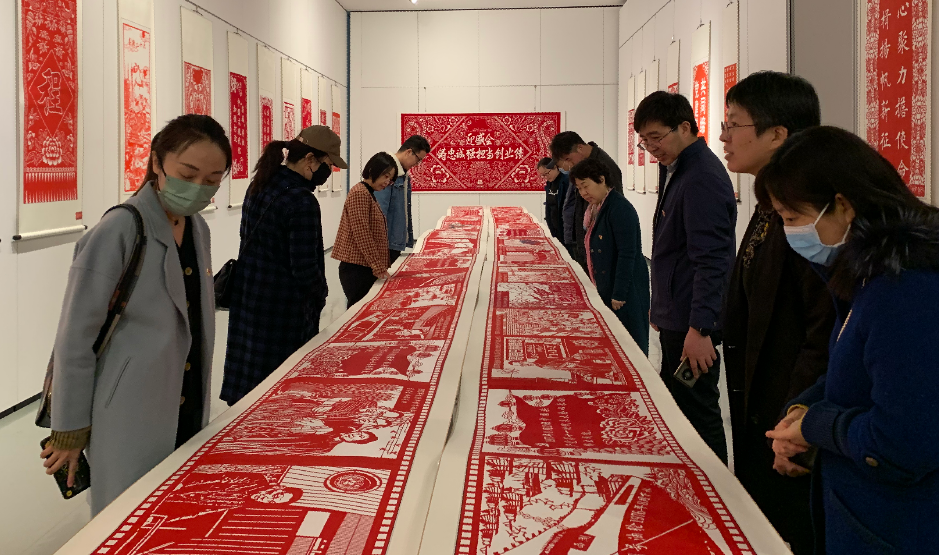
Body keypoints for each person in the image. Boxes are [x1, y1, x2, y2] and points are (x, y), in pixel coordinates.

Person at [40, 114, 232, 515]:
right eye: (188, 174)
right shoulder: (120, 229)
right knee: (127, 513)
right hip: (128, 408)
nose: (198, 188)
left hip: (186, 398)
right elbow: (74, 336)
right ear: (157, 162)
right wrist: (69, 428)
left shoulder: (198, 229)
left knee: (175, 512)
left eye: (212, 180)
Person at [764, 126, 939, 555]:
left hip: (897, 525)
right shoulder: (865, 274)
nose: (789, 232)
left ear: (843, 206)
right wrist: (801, 411)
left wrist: (814, 426)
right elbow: (851, 370)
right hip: (862, 513)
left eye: (792, 219)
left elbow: (900, 445)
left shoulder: (905, 289)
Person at [717, 71, 834, 554]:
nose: (723, 137)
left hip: (791, 417)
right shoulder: (769, 202)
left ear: (777, 134)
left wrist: (796, 418)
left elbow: (822, 332)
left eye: (733, 124)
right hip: (763, 406)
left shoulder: (809, 216)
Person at [635, 91, 737, 463]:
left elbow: (711, 259)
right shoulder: (678, 167)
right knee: (679, 403)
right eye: (644, 141)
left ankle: (716, 488)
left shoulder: (701, 176)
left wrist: (701, 328)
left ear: (684, 126)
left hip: (692, 322)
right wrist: (660, 307)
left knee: (698, 411)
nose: (651, 149)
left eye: (656, 138)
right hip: (677, 313)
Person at [222, 126, 345, 405]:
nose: (328, 172)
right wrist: (320, 295)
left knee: (249, 382)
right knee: (280, 389)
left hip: (250, 296)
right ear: (310, 159)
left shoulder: (261, 184)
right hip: (282, 308)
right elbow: (305, 267)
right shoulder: (301, 200)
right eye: (327, 164)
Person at [570, 159, 650, 355]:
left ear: (602, 179)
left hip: (626, 291)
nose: (583, 193)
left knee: (631, 346)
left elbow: (627, 253)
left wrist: (619, 294)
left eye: (586, 186)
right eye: (579, 188)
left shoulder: (619, 208)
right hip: (609, 285)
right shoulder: (596, 208)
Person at [332, 152, 398, 307]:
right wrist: (378, 266)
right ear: (372, 170)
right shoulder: (360, 193)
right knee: (358, 310)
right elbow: (362, 234)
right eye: (385, 176)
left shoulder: (368, 192)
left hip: (364, 266)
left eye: (390, 179)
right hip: (356, 268)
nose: (387, 182)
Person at [550, 131, 623, 270]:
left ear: (580, 148)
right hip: (585, 240)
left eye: (568, 159)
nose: (568, 165)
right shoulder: (582, 165)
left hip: (600, 246)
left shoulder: (604, 166)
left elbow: (612, 210)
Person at [374, 135, 430, 264]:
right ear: (409, 152)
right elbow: (379, 211)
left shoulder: (403, 173)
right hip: (385, 243)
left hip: (394, 240)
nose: (417, 164)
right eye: (418, 160)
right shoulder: (388, 172)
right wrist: (379, 246)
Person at [538, 157, 568, 243]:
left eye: (546, 173)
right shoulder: (549, 184)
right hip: (555, 228)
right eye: (542, 175)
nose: (545, 177)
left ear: (555, 167)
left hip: (565, 228)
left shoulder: (566, 182)